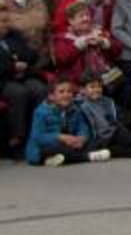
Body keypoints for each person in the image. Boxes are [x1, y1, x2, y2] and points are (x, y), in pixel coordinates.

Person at [26, 79, 105, 166]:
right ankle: (88, 157)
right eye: (61, 92)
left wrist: (81, 138)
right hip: (47, 146)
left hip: (70, 143)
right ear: (51, 96)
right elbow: (38, 136)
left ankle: (54, 160)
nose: (66, 95)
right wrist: (60, 137)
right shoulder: (41, 112)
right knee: (57, 148)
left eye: (69, 92)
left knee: (93, 143)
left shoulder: (75, 109)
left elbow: (82, 126)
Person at [1, 10, 47, 157]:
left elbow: (30, 54)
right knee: (19, 93)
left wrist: (21, 61)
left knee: (39, 89)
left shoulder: (14, 35)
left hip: (23, 75)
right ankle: (17, 139)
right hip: (3, 79)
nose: (7, 24)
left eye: (7, 20)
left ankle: (39, 134)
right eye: (3, 21)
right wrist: (12, 65)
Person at [77, 71, 131, 158]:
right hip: (102, 140)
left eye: (99, 86)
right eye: (92, 87)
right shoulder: (82, 106)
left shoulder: (107, 102)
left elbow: (114, 121)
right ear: (82, 90)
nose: (96, 90)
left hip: (115, 134)